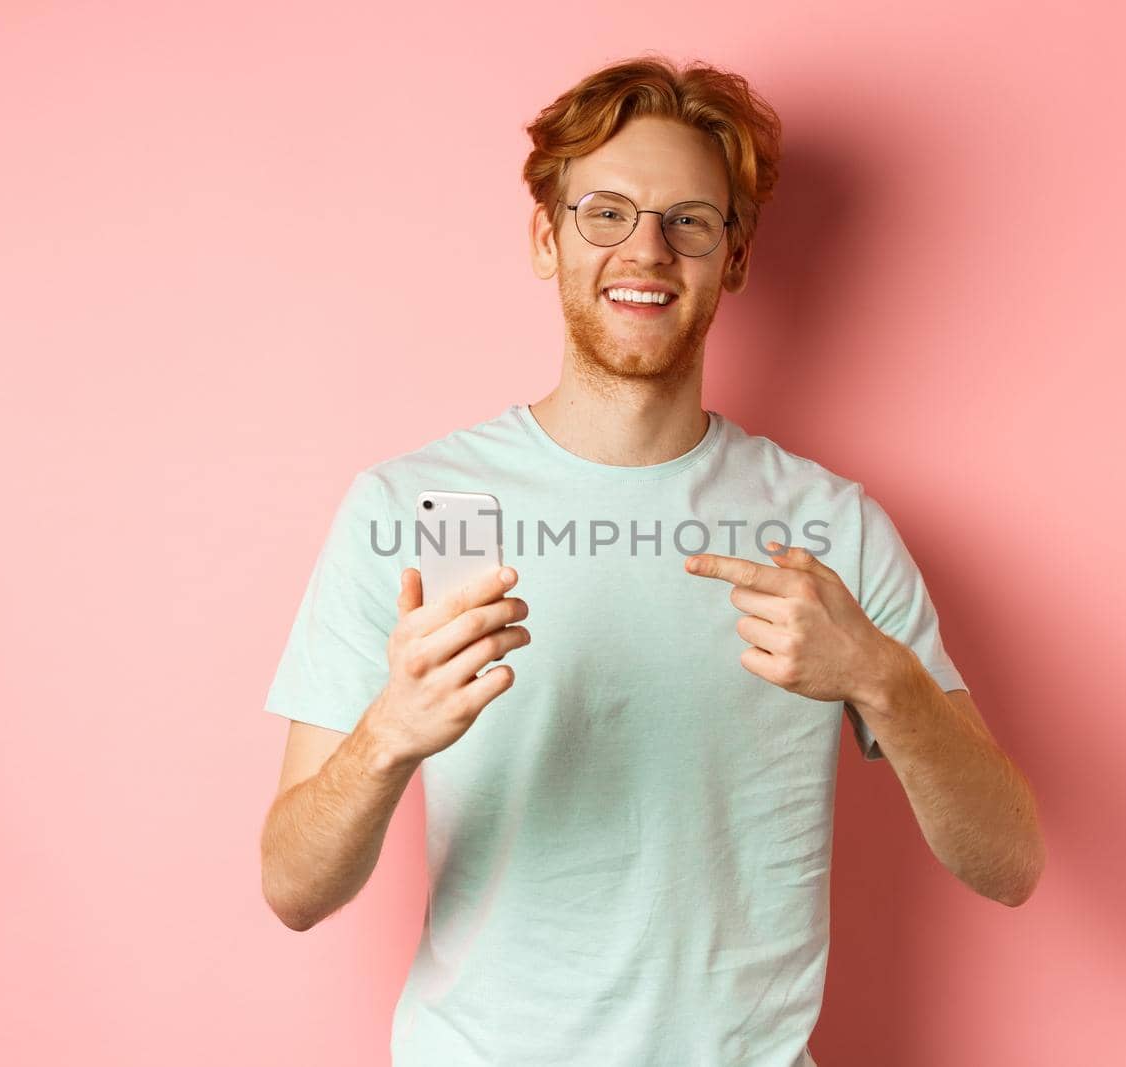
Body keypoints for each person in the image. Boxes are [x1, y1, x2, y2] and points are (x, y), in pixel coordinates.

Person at [259, 54, 1044, 1067]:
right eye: (606, 213)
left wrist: (882, 680)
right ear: (546, 237)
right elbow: (293, 886)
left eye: (688, 219)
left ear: (735, 257)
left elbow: (1010, 862)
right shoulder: (412, 508)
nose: (647, 249)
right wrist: (388, 736)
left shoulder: (829, 527)